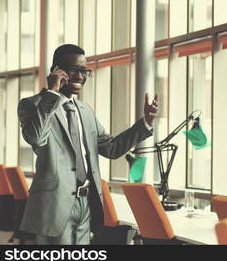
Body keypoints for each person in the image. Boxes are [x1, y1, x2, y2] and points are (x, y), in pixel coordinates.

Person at [17, 44, 158, 245]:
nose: (80, 76)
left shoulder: (85, 110)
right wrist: (52, 93)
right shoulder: (32, 104)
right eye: (74, 70)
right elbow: (36, 138)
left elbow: (111, 148)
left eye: (84, 71)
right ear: (56, 71)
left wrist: (145, 123)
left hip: (87, 203)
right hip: (55, 205)